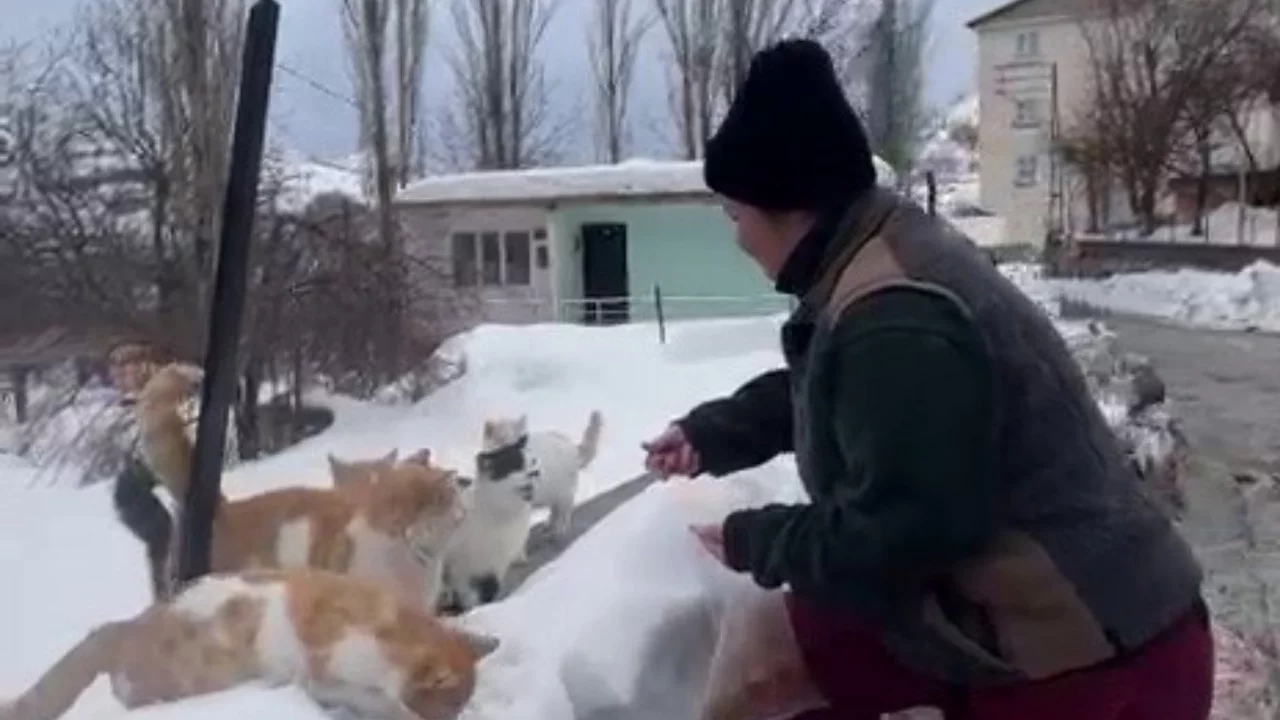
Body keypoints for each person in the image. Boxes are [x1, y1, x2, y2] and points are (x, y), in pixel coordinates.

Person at [642, 39, 1212, 720]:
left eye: (736, 216)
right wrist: (713, 434)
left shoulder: (893, 315)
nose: (736, 239)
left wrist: (754, 540)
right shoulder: (877, 259)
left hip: (1093, 661)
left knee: (772, 662)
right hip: (1088, 622)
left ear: (788, 204)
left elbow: (903, 531)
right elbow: (845, 390)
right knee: (780, 653)